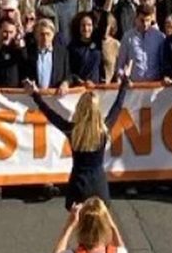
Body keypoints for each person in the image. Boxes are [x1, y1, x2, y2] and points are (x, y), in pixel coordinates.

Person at [26, 73, 130, 210]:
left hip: (78, 185)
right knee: (100, 226)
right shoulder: (103, 130)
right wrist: (125, 82)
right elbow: (117, 106)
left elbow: (50, 114)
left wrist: (35, 95)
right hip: (99, 185)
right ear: (97, 111)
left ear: (79, 109)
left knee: (76, 223)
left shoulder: (72, 131)